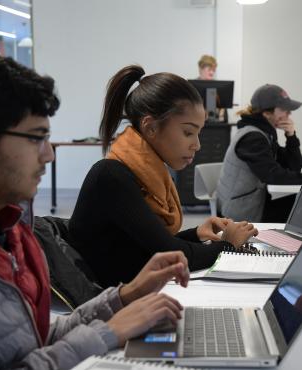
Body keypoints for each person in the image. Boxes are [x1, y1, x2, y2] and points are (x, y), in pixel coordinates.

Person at [0, 53, 191, 370]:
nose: (48, 156)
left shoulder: (6, 231)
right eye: (36, 138)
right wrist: (106, 334)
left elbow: (31, 339)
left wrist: (124, 298)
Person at [68, 65, 257, 288]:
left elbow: (150, 243)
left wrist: (197, 234)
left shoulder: (147, 171)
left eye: (198, 133)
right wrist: (227, 245)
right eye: (188, 132)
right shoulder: (112, 176)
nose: (196, 145)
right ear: (150, 127)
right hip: (105, 304)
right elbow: (172, 255)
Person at [217, 84, 302, 222]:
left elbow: (293, 167)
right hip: (239, 211)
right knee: (296, 208)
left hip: (251, 201)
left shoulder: (263, 133)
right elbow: (273, 175)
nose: (289, 114)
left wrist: (291, 136)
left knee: (295, 202)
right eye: (284, 109)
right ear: (267, 113)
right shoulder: (253, 138)